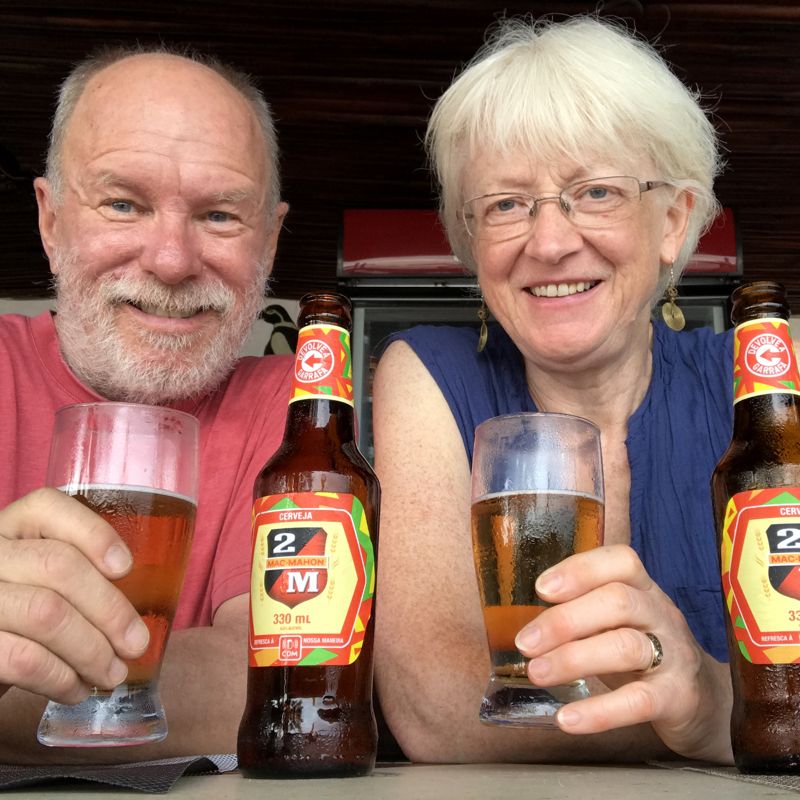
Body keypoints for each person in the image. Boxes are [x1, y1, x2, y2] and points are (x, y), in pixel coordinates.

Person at [372, 15, 737, 764]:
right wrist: (725, 720)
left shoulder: (762, 388)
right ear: (473, 244)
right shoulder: (425, 376)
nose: (548, 242)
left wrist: (707, 700)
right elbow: (436, 704)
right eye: (506, 204)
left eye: (595, 192)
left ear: (673, 220)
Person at [0, 44, 290, 762]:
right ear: (50, 217)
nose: (170, 260)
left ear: (272, 241)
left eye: (220, 215)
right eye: (123, 203)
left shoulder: (295, 410)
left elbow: (267, 677)